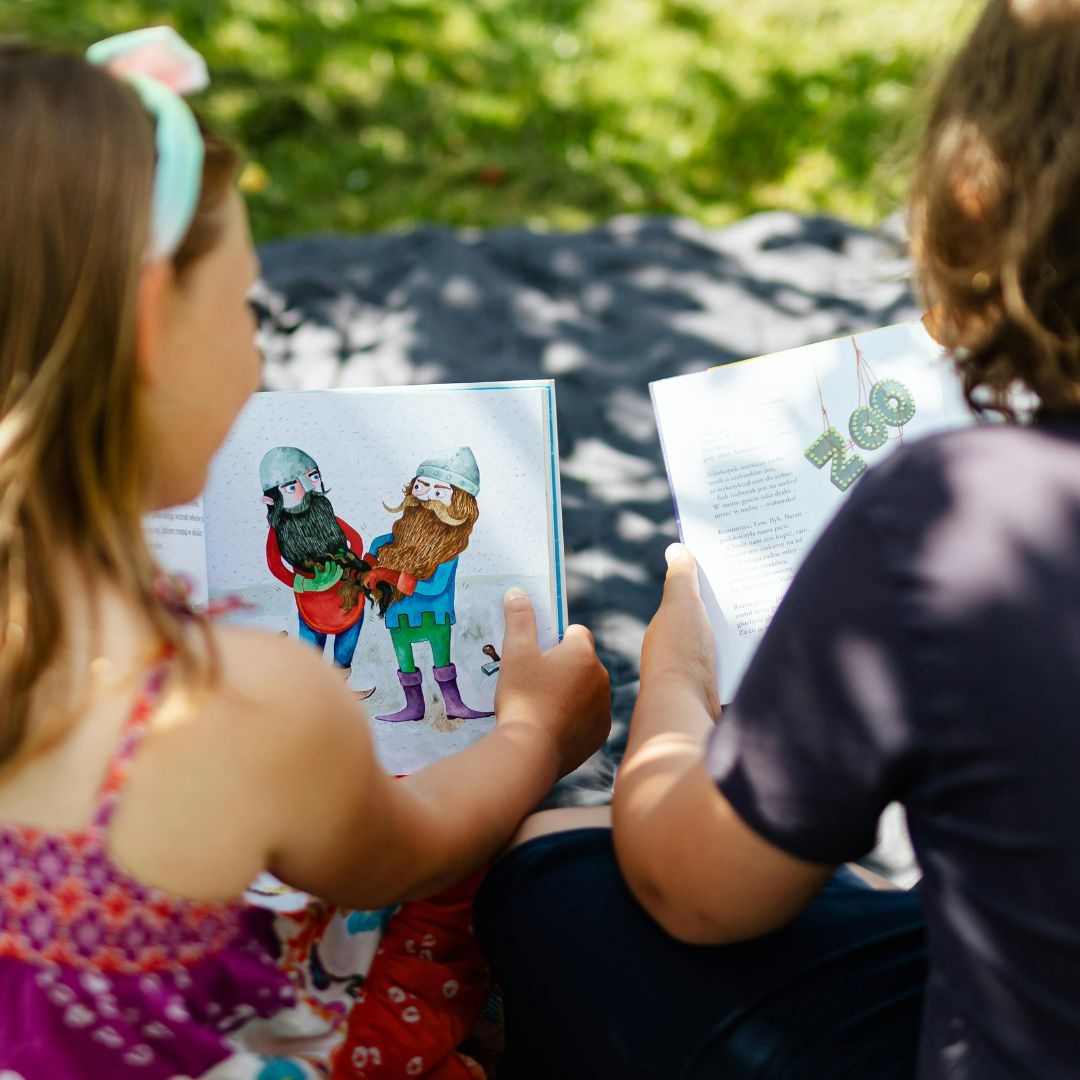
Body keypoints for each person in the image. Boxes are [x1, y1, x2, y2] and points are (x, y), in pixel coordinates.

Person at [475, 1, 1080, 1076]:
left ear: (976, 195)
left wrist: (674, 682)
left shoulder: (961, 516)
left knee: (554, 869)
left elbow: (701, 893)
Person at [0, 28, 609, 1079]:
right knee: (502, 881)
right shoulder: (235, 699)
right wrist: (531, 737)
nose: (260, 346)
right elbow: (409, 841)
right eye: (245, 305)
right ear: (149, 326)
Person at [363, 448, 494, 723]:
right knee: (405, 660)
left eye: (438, 493)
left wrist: (389, 574)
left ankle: (454, 704)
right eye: (422, 487)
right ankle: (413, 707)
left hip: (435, 614)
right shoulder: (390, 542)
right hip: (398, 611)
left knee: (442, 660)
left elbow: (434, 588)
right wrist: (371, 561)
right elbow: (373, 560)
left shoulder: (449, 550)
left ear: (458, 504)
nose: (425, 500)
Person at [260, 445, 375, 698]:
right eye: (292, 486)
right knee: (311, 643)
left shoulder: (326, 513)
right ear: (271, 499)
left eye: (313, 477)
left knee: (348, 638)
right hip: (311, 601)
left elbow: (354, 540)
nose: (309, 489)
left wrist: (348, 568)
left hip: (346, 594)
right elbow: (274, 564)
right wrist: (301, 583)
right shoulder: (280, 529)